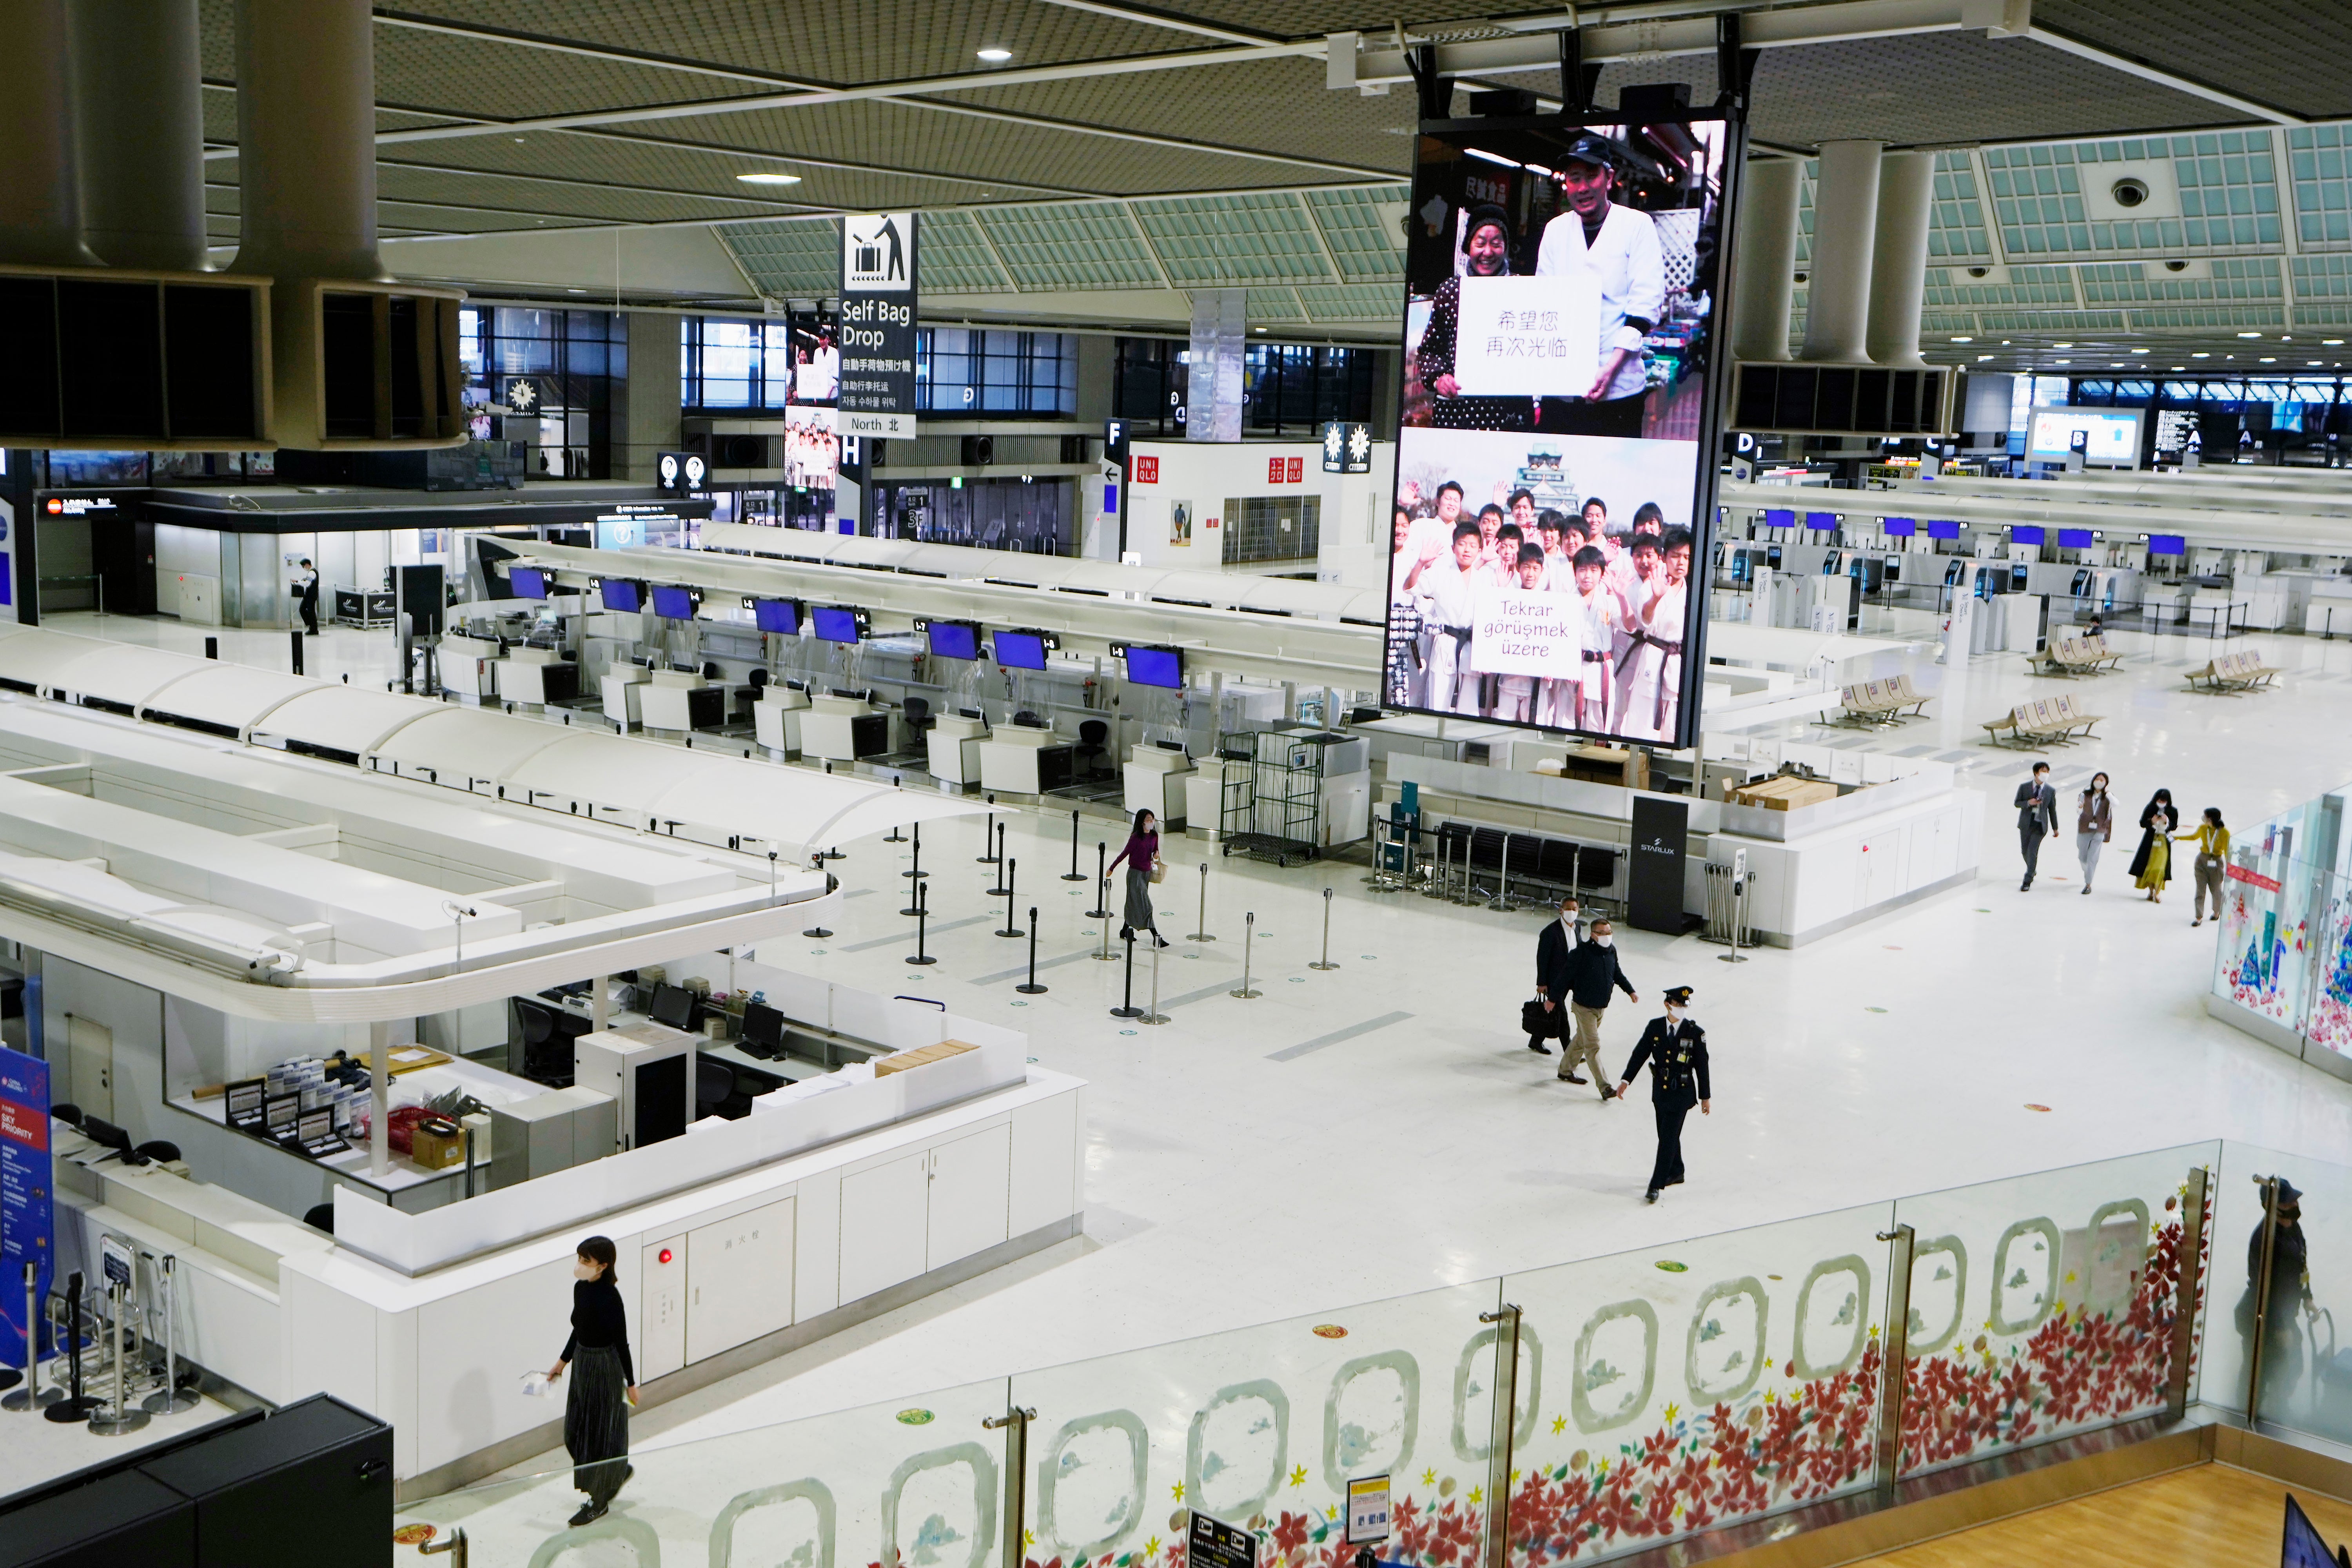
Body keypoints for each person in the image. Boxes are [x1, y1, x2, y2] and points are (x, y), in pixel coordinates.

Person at [1534, 134, 1665, 439]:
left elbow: (1645, 306)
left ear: (1609, 178)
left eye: (1591, 176)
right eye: (1574, 178)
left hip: (1619, 388)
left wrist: (1610, 368)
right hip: (1561, 388)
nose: (1582, 188)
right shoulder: (1555, 231)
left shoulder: (1637, 225)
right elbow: (1543, 303)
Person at [1415, 205, 1532, 432]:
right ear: (1468, 247)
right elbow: (1429, 351)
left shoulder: (1522, 290)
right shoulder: (1450, 291)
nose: (1488, 252)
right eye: (1480, 243)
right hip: (1457, 412)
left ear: (1506, 248)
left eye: (1496, 244)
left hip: (1509, 414)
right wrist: (1439, 378)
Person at [546, 1235, 635, 1527]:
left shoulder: (611, 1298)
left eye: (587, 1261)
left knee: (600, 1434)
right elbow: (579, 1329)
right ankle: (615, 1471)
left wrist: (631, 1383)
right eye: (580, 1259)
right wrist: (563, 1362)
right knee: (574, 1432)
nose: (580, 1266)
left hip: (605, 1365)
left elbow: (622, 1343)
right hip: (583, 1362)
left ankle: (599, 1501)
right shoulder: (580, 1290)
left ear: (603, 1266)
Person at [1617, 984, 1710, 1203]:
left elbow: (1702, 1066)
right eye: (1677, 1004)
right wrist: (1625, 1080)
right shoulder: (1655, 1027)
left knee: (1667, 1138)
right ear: (1667, 1005)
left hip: (1682, 1093)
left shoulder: (1695, 1033)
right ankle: (1677, 1170)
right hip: (1661, 1092)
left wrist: (1705, 1097)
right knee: (1667, 1135)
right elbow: (1640, 1054)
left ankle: (1656, 1183)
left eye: (1684, 1005)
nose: (1681, 1008)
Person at [2241, 1177, 2314, 1421]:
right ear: (2274, 1207)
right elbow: (2264, 1288)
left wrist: (2307, 1298)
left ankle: (2277, 1407)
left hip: (2284, 1315)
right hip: (2261, 1316)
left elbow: (2301, 1266)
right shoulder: (2264, 1238)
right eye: (2289, 1201)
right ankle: (2249, 1415)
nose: (2295, 1203)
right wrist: (2280, 1328)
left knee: (2291, 1363)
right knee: (2261, 1370)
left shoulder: (2293, 1228)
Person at [1615, 529, 1689, 741]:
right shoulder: (1651, 584)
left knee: (1672, 721)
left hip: (1676, 660)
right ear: (1665, 557)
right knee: (1642, 720)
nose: (1681, 563)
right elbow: (1646, 619)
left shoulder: (1690, 590)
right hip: (1654, 654)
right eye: (1676, 556)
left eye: (1686, 557)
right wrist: (1657, 598)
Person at [1558, 916, 1636, 1096]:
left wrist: (1631, 991)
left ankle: (1564, 1070)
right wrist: (1553, 999)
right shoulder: (1582, 953)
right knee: (1593, 1046)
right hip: (1584, 1007)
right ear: (1593, 935)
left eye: (1609, 932)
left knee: (1581, 1039)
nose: (1607, 936)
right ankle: (1605, 1087)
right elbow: (1564, 977)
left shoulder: (1611, 951)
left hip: (1600, 1008)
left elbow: (1617, 973)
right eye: (1602, 933)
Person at [1416, 521, 1485, 714]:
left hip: (1471, 648)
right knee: (1439, 705)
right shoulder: (1440, 573)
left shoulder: (1484, 580)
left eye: (1473, 546)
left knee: (1469, 710)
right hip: (1446, 642)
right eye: (1462, 544)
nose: (1467, 550)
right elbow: (1411, 587)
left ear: (1479, 550)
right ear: (1454, 548)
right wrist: (1421, 563)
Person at [1528, 895, 1584, 1056]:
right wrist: (1542, 983)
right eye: (1568, 909)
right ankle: (1570, 1052)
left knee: (1550, 1011)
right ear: (1561, 911)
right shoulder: (1550, 933)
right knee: (1562, 1014)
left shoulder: (1578, 928)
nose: (1571, 912)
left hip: (1571, 978)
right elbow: (1542, 959)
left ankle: (1536, 1040)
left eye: (1574, 909)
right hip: (1554, 981)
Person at [1107, 808, 1169, 947]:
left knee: (1133, 903)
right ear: (1142, 822)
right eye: (1149, 820)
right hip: (1135, 875)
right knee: (1146, 906)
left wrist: (1156, 854)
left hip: (1146, 874)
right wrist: (1112, 867)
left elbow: (1156, 849)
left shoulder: (1154, 835)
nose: (1152, 822)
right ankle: (1156, 937)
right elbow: (1124, 853)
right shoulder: (1136, 837)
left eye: (1153, 819)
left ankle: (1124, 930)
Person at [2178, 807, 2230, 927]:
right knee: (2200, 890)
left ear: (2210, 818)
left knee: (2216, 890)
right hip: (2202, 861)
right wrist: (2177, 838)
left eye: (2205, 816)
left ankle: (2217, 911)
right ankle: (2198, 917)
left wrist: (2231, 867)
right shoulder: (2203, 828)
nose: (2203, 818)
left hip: (2216, 863)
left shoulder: (2224, 833)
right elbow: (2193, 837)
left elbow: (2228, 851)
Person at [2014, 761, 2059, 891]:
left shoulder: (2050, 791)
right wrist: (2029, 802)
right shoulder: (2024, 787)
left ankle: (2027, 880)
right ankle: (2032, 869)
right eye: (2042, 771)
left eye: (2047, 771)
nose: (2045, 774)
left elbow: (2052, 810)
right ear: (2036, 773)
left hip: (2040, 825)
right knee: (2025, 851)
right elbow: (2017, 803)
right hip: (2026, 823)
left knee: (2033, 851)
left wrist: (2055, 828)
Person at [2129, 789, 2178, 903]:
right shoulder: (2151, 808)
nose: (2161, 802)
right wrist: (2151, 821)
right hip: (2150, 840)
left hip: (2163, 841)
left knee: (2160, 867)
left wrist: (2167, 823)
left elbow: (2174, 826)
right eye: (2159, 800)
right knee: (2150, 866)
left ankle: (2158, 891)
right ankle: (2152, 890)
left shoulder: (2172, 811)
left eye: (2164, 800)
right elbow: (2142, 823)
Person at [2075, 773, 2113, 895]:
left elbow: (2117, 804)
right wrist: (2081, 807)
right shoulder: (2085, 794)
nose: (2099, 782)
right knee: (2083, 855)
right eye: (2097, 779)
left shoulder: (2108, 797)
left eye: (2102, 780)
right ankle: (2087, 871)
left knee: (2093, 858)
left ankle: (2088, 884)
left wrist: (2109, 795)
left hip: (2100, 830)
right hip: (2085, 828)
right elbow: (2079, 811)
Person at [292, 558, 320, 636]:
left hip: (311, 595)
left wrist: (298, 582)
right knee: (304, 610)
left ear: (307, 565)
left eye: (303, 566)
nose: (304, 568)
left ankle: (314, 629)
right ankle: (312, 626)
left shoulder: (312, 573)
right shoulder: (312, 572)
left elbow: (308, 584)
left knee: (310, 612)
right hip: (309, 595)